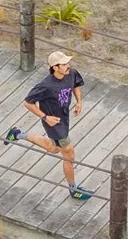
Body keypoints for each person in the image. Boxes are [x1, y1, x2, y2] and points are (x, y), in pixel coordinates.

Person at [7, 50, 91, 201]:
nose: (68, 66)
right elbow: (28, 102)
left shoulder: (71, 73)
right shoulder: (46, 86)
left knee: (53, 149)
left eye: (67, 63)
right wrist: (46, 117)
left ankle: (18, 133)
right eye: (64, 64)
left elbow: (76, 85)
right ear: (55, 67)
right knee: (69, 153)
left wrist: (79, 102)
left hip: (64, 119)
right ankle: (73, 189)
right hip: (54, 124)